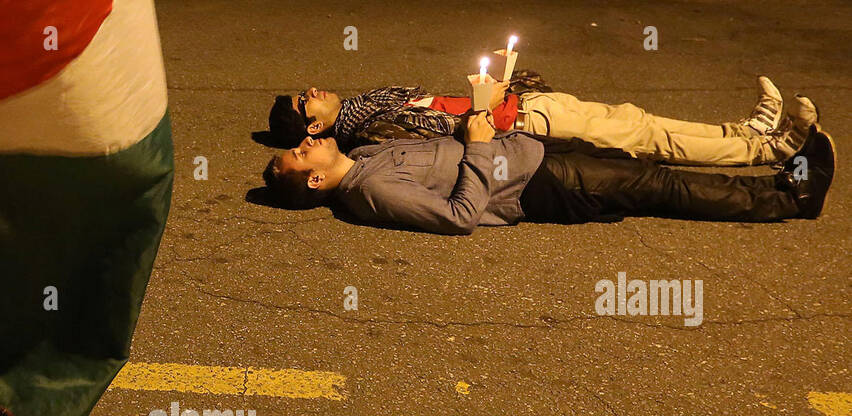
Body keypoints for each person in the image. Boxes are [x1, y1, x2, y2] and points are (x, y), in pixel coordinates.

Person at [260, 106, 834, 233]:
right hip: (544, 185)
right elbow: (459, 217)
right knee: (663, 187)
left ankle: (774, 173)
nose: (309, 145)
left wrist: (476, 125)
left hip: (534, 153)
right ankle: (788, 197)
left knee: (646, 160)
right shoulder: (374, 190)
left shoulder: (362, 158)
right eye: (301, 153)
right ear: (313, 180)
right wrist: (482, 147)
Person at [269, 76, 805, 166]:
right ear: (314, 128)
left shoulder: (371, 105)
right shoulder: (369, 130)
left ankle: (745, 132)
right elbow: (457, 134)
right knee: (647, 140)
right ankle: (759, 149)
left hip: (523, 107)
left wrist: (496, 84)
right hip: (524, 126)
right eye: (304, 103)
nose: (311, 92)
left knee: (639, 123)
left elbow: (442, 108)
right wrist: (492, 105)